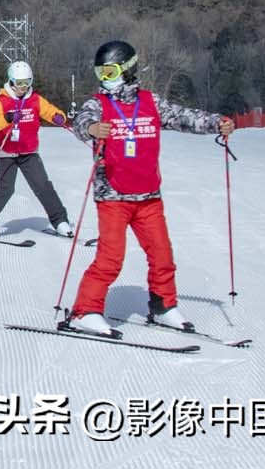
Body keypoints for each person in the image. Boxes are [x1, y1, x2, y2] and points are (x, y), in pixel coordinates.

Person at [65, 41, 235, 336]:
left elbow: (183, 117)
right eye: (100, 72)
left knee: (162, 255)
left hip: (148, 197)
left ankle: (163, 306)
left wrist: (215, 123)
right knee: (110, 257)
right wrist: (92, 129)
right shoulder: (98, 104)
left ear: (128, 69)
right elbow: (81, 121)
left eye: (111, 71)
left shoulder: (150, 102)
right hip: (113, 196)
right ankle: (85, 311)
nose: (105, 78)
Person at [0, 61, 73, 238]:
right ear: (11, 82)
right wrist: (8, 117)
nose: (23, 87)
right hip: (7, 150)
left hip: (28, 150)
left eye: (27, 82)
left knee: (42, 185)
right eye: (19, 83)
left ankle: (60, 221)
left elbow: (50, 111)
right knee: (6, 188)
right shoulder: (1, 101)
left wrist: (59, 117)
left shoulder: (35, 100)